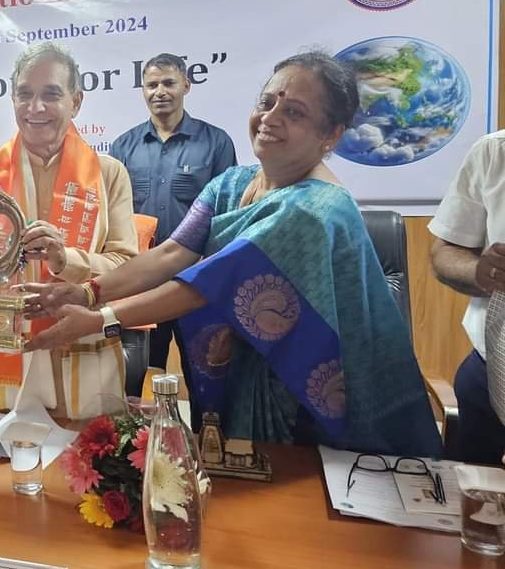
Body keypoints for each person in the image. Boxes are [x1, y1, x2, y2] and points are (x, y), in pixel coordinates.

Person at [24, 52, 441, 456]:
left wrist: (99, 318)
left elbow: (206, 285)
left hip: (312, 389)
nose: (271, 118)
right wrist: (87, 291)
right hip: (249, 367)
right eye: (267, 102)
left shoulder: (315, 209)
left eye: (294, 112)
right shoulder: (233, 183)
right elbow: (172, 252)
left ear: (330, 135)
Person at [0, 42, 137, 419]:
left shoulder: (108, 174)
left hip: (81, 356)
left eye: (51, 94)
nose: (36, 107)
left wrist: (66, 261)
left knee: (84, 455)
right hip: (4, 358)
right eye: (24, 94)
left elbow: (128, 268)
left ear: (76, 102)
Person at [111, 53, 236, 373]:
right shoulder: (124, 147)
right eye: (152, 85)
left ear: (186, 86)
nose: (160, 92)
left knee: (204, 378)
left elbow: (228, 218)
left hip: (196, 283)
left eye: (168, 83)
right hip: (142, 284)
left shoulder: (216, 142)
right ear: (143, 90)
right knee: (136, 376)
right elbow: (113, 219)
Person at [429, 131, 505, 465]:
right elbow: (444, 253)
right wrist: (480, 272)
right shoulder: (494, 153)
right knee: (478, 497)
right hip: (489, 381)